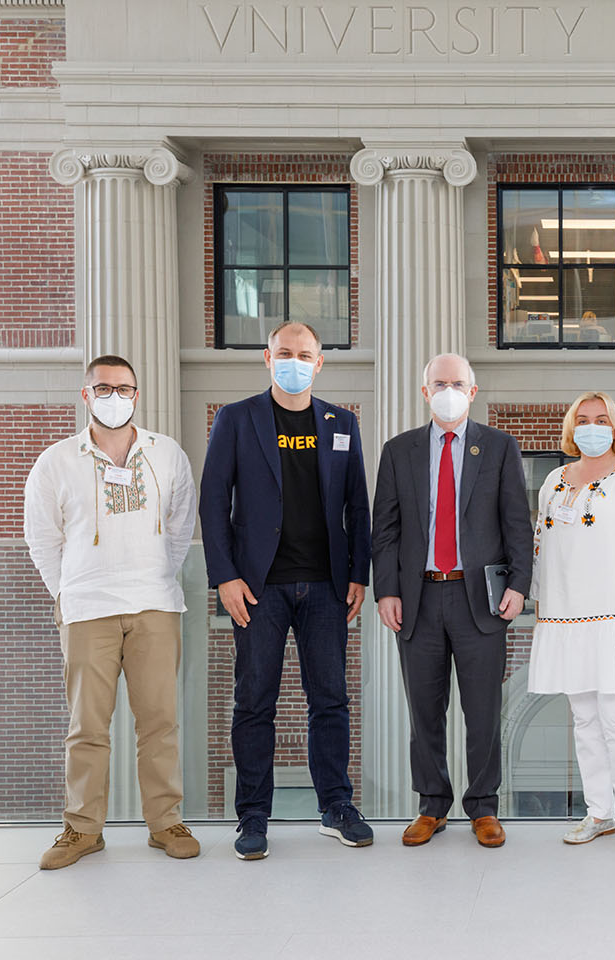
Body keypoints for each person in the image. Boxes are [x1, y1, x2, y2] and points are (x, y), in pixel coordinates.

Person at [199, 321, 372, 861]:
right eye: (283, 352)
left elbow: (357, 506)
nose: (293, 360)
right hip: (257, 588)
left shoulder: (341, 422)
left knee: (331, 701)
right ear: (266, 358)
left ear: (319, 363)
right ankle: (252, 816)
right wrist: (224, 576)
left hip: (325, 585)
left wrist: (359, 574)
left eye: (304, 354)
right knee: (254, 703)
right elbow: (212, 503)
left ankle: (336, 806)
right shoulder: (236, 418)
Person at [23, 354, 199, 869]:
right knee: (86, 727)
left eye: (124, 389)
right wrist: (69, 592)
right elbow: (42, 537)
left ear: (137, 395)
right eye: (103, 388)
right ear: (86, 395)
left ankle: (165, 822)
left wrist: (153, 577)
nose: (114, 397)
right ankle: (81, 830)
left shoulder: (166, 455)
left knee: (160, 723)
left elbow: (181, 526)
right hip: (86, 611)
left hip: (155, 607)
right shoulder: (56, 460)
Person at [372, 353, 533, 849]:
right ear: (425, 392)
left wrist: (519, 586)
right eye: (439, 383)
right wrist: (386, 590)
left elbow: (516, 525)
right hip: (418, 597)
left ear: (473, 391)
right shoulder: (399, 451)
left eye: (457, 383)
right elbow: (386, 530)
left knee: (483, 710)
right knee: (425, 711)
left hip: (479, 600)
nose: (448, 390)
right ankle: (432, 805)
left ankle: (483, 807)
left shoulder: (500, 447)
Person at [528, 392, 615, 852]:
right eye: (584, 419)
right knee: (584, 719)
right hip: (564, 616)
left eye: (601, 419)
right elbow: (540, 550)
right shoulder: (554, 479)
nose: (593, 427)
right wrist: (540, 610)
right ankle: (599, 812)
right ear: (572, 426)